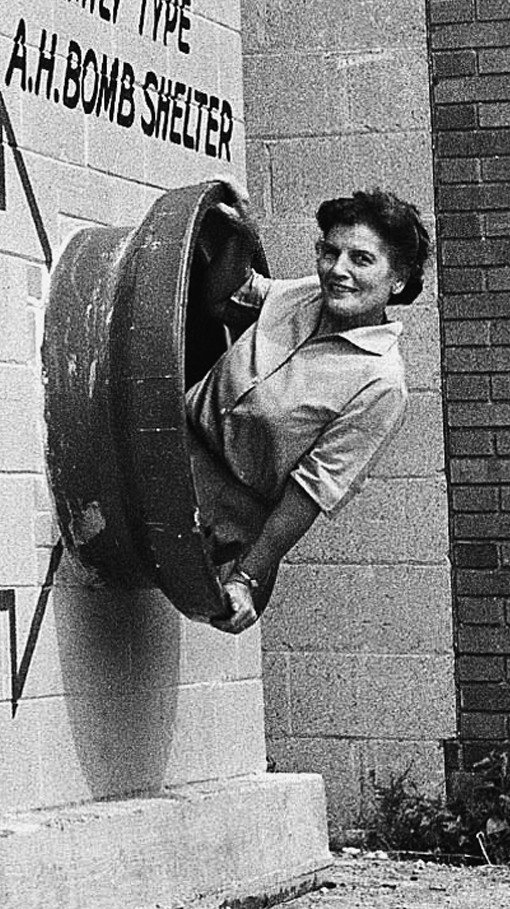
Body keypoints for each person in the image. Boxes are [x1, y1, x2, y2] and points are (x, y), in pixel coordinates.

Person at [184, 188, 431, 634]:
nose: (338, 270)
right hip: (169, 437)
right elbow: (222, 300)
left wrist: (246, 577)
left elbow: (311, 492)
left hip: (215, 512)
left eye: (361, 259)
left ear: (398, 279)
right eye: (330, 252)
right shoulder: (304, 295)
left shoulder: (380, 382)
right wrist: (243, 239)